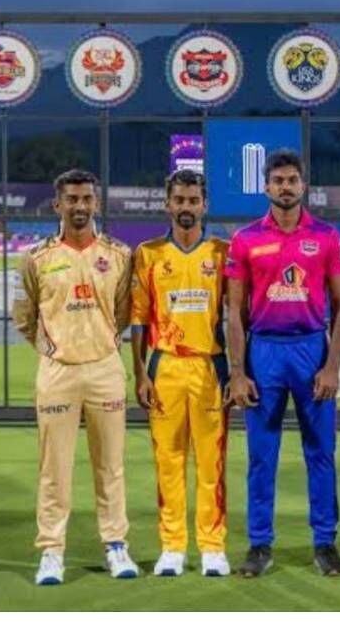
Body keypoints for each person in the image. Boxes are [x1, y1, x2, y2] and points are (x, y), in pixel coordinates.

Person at [223, 149, 340, 577]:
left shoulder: (327, 237)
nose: (285, 187)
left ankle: (325, 542)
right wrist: (238, 373)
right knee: (262, 455)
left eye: (292, 180)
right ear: (266, 187)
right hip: (265, 352)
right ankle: (260, 545)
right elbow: (234, 312)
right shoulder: (245, 239)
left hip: (311, 349)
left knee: (321, 452)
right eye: (278, 180)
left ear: (303, 186)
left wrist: (332, 367)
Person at [12, 169, 137, 585]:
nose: (79, 206)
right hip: (58, 372)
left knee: (111, 465)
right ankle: (51, 551)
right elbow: (24, 316)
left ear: (96, 203)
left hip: (105, 369)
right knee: (54, 468)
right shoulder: (37, 258)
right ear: (57, 205)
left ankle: (116, 545)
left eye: (86, 199)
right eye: (72, 199)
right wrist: (51, 349)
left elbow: (123, 311)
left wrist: (103, 341)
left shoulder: (118, 254)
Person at [130, 169, 231, 578]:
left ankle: (212, 547)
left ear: (205, 205)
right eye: (179, 200)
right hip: (165, 366)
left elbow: (236, 316)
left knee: (211, 462)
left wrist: (236, 371)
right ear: (167, 204)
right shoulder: (149, 254)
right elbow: (139, 318)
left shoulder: (222, 253)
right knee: (168, 461)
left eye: (193, 200)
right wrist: (140, 373)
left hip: (209, 366)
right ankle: (172, 546)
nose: (186, 207)